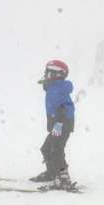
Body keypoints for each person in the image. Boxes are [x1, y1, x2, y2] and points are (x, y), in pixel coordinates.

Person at [29, 59, 76, 189]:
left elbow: (65, 108)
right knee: (46, 148)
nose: (46, 75)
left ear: (57, 75)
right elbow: (47, 87)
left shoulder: (59, 88)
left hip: (62, 124)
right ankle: (51, 173)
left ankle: (63, 178)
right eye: (46, 72)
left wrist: (59, 123)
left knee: (56, 150)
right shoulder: (53, 87)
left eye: (49, 73)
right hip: (57, 124)